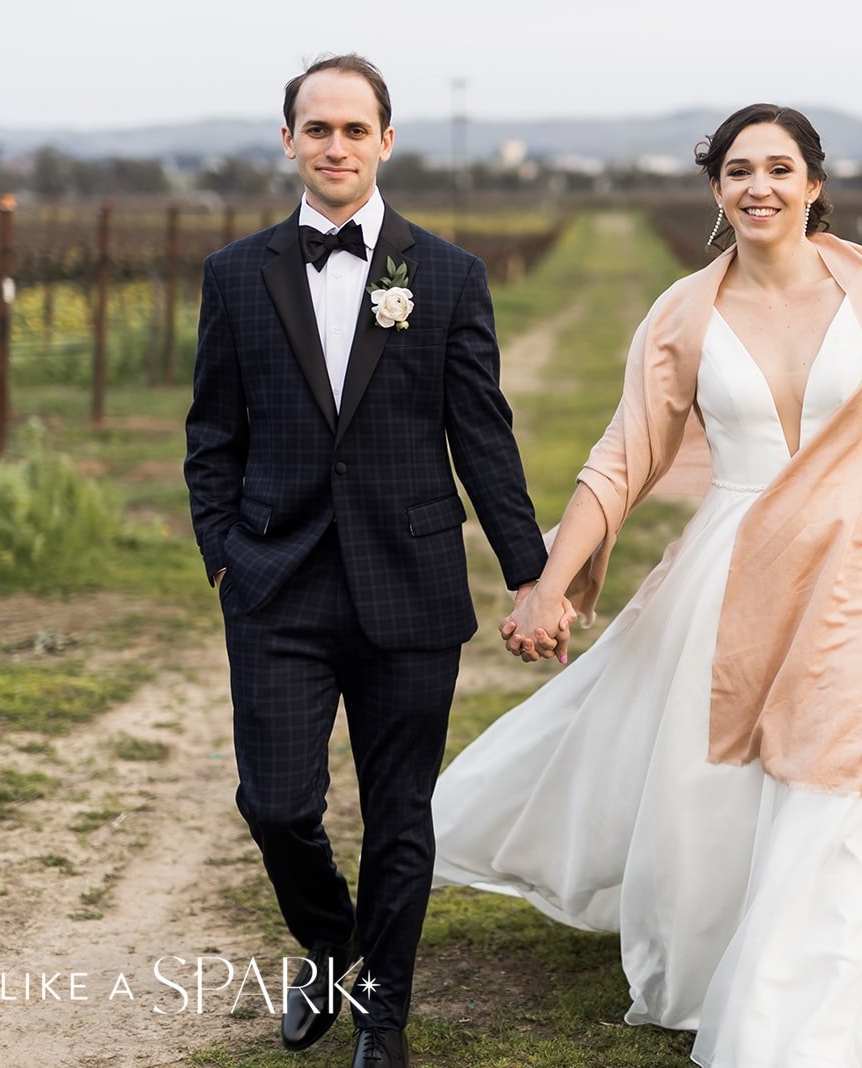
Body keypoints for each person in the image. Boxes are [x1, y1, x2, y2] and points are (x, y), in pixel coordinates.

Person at [430, 103, 862, 1066]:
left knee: (837, 772)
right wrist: (550, 585)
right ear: (715, 189)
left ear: (815, 184)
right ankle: (719, 957)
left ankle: (793, 1013)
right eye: (736, 170)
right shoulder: (684, 310)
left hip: (861, 566)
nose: (757, 186)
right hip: (732, 568)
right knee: (717, 785)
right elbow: (624, 457)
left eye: (778, 168)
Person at [183, 53, 567, 1068]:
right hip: (273, 581)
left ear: (386, 141)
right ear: (289, 142)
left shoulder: (444, 276)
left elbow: (481, 436)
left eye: (356, 130)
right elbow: (210, 431)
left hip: (409, 585)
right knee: (275, 804)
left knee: (400, 814)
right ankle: (327, 937)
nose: (337, 146)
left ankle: (384, 1012)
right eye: (319, 129)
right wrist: (221, 551)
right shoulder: (235, 274)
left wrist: (531, 571)